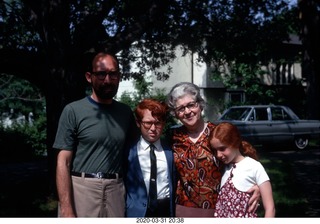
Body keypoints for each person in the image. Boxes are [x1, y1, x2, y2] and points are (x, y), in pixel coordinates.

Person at [53, 52, 138, 217]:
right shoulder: (73, 111)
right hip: (81, 190)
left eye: (113, 74)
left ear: (119, 77)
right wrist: (66, 208)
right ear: (89, 77)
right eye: (101, 74)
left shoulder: (125, 112)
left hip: (116, 191)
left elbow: (138, 151)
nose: (107, 80)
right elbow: (63, 162)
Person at [166, 82, 261, 217]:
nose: (187, 111)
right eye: (181, 108)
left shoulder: (216, 133)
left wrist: (257, 184)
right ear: (175, 113)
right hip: (183, 209)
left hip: (220, 207)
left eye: (191, 105)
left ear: (200, 105)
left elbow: (243, 157)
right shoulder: (173, 137)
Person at [210, 122, 275, 217]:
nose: (218, 155)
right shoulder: (221, 167)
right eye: (215, 150)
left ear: (235, 143)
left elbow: (270, 208)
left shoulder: (254, 166)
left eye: (222, 149)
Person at [125, 98, 176, 217]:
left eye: (158, 123)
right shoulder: (129, 150)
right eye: (148, 123)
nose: (153, 128)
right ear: (138, 123)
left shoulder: (171, 149)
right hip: (137, 212)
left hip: (165, 210)